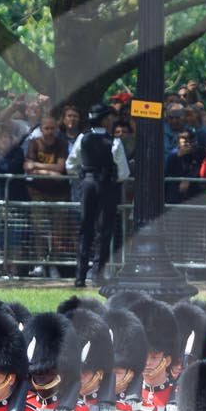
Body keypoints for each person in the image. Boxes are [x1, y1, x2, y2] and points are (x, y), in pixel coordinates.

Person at [69, 104, 128, 288]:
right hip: (107, 185)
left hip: (87, 185)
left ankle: (80, 276)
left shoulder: (83, 138)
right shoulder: (114, 141)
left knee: (85, 229)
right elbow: (124, 173)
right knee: (104, 231)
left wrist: (83, 175)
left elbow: (70, 165)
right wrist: (113, 179)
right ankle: (97, 275)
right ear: (105, 120)